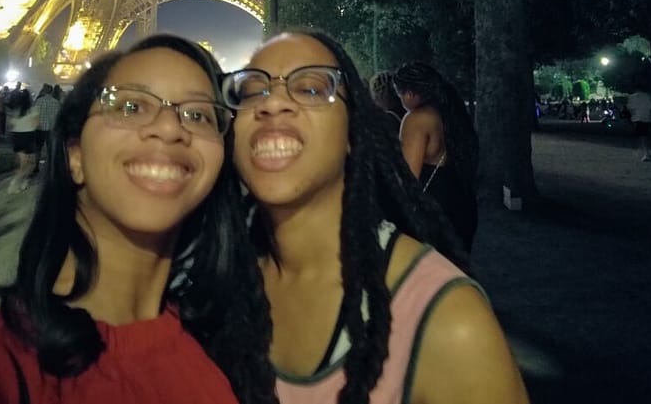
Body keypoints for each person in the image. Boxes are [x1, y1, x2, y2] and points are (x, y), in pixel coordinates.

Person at [0, 34, 276, 403]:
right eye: (131, 106)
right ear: (74, 155)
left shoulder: (216, 354)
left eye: (199, 115)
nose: (170, 127)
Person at [221, 31, 528, 404]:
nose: (272, 104)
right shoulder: (212, 282)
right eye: (253, 90)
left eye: (313, 89)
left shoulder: (450, 323)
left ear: (353, 131)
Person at [392, 61, 479, 250]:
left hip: (434, 212)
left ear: (409, 94)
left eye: (399, 95)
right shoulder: (450, 113)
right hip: (461, 204)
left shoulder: (417, 119)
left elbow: (408, 179)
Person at [6, 87, 39, 193]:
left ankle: (20, 181)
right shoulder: (33, 109)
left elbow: (9, 124)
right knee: (32, 163)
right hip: (29, 135)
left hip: (17, 136)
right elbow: (36, 124)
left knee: (22, 162)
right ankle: (17, 181)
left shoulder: (14, 110)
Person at [32, 83, 60, 170]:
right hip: (51, 128)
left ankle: (36, 166)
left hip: (39, 128)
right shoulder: (56, 102)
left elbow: (34, 114)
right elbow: (58, 116)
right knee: (51, 149)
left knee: (38, 148)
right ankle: (51, 167)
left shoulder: (39, 101)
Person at [627, 88, 651, 161]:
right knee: (644, 136)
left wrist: (632, 117)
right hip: (647, 118)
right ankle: (646, 152)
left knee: (642, 137)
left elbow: (630, 108)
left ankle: (646, 153)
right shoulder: (647, 96)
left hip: (638, 118)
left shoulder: (632, 97)